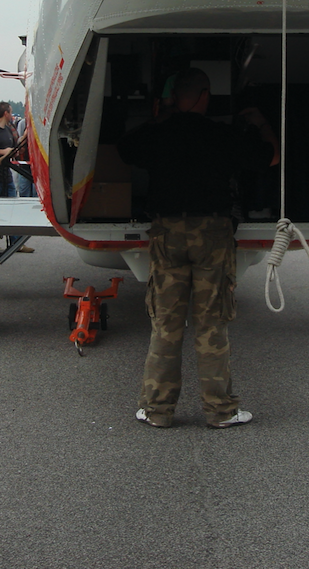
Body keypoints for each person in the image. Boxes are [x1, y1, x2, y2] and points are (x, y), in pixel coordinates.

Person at [117, 68, 277, 430]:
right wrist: (262, 123)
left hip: (167, 232)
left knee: (165, 325)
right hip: (212, 234)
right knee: (211, 325)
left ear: (175, 98)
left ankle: (157, 410)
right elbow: (270, 158)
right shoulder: (223, 135)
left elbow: (125, 148)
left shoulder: (158, 134)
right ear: (205, 95)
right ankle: (221, 410)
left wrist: (160, 116)